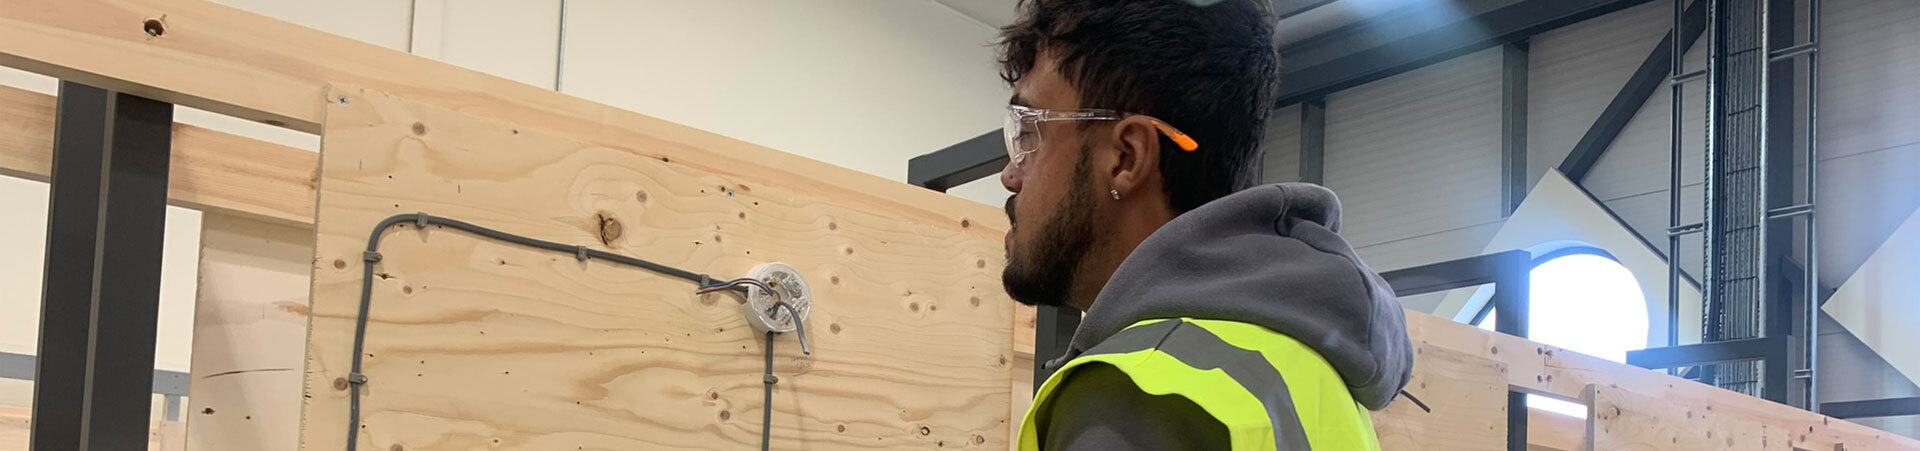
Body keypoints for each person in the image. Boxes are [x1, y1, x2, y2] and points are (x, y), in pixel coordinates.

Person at [993, 0, 1415, 449]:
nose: (1010, 174)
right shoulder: (1309, 371)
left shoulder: (1134, 395)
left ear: (1126, 158)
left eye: (1029, 132)